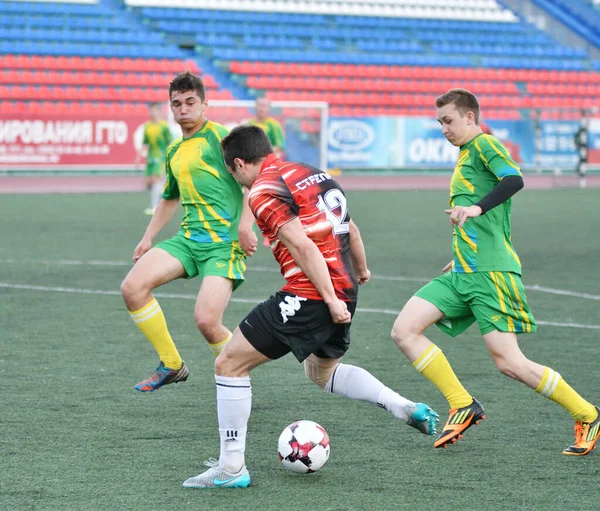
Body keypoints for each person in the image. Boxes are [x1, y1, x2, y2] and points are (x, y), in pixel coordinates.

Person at [181, 125, 439, 489]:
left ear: (239, 164)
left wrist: (331, 300)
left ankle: (231, 467)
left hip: (314, 293)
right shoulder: (311, 173)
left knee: (229, 363)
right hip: (345, 288)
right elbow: (351, 227)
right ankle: (400, 405)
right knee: (321, 373)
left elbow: (302, 247)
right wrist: (360, 270)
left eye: (232, 173)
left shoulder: (263, 190)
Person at [390, 88, 599, 455]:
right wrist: (462, 251)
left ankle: (587, 413)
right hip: (463, 271)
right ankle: (462, 404)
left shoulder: (485, 144)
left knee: (510, 362)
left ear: (470, 118)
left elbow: (514, 179)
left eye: (449, 120)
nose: (443, 128)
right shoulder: (466, 153)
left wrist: (477, 209)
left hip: (491, 273)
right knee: (404, 331)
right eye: (439, 121)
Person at [121, 72, 258, 393]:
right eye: (176, 104)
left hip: (223, 244)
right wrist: (147, 237)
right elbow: (170, 197)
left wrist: (245, 225)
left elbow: (254, 180)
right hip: (188, 241)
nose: (183, 109)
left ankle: (237, 379)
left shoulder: (221, 139)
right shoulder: (174, 151)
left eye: (190, 102)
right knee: (132, 287)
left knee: (207, 322)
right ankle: (171, 364)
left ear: (205, 104)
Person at [249, 97, 286, 247]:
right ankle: (250, 233)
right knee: (252, 202)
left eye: (264, 106)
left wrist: (261, 156)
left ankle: (272, 234)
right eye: (259, 106)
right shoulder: (250, 124)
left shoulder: (273, 125)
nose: (261, 109)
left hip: (269, 169)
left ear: (269, 108)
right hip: (252, 171)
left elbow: (279, 146)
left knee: (271, 202)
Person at [135, 102, 173, 215]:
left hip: (160, 157)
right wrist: (138, 157)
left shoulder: (164, 126)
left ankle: (154, 207)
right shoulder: (147, 126)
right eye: (151, 110)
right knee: (148, 183)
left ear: (159, 111)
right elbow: (144, 143)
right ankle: (163, 192)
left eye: (155, 110)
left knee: (155, 179)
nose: (153, 113)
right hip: (150, 158)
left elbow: (169, 142)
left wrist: (169, 156)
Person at [573, 110, 589, 189]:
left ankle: (582, 179)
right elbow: (577, 137)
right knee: (582, 162)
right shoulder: (581, 131)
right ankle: (582, 180)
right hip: (582, 148)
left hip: (583, 148)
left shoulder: (583, 132)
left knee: (583, 162)